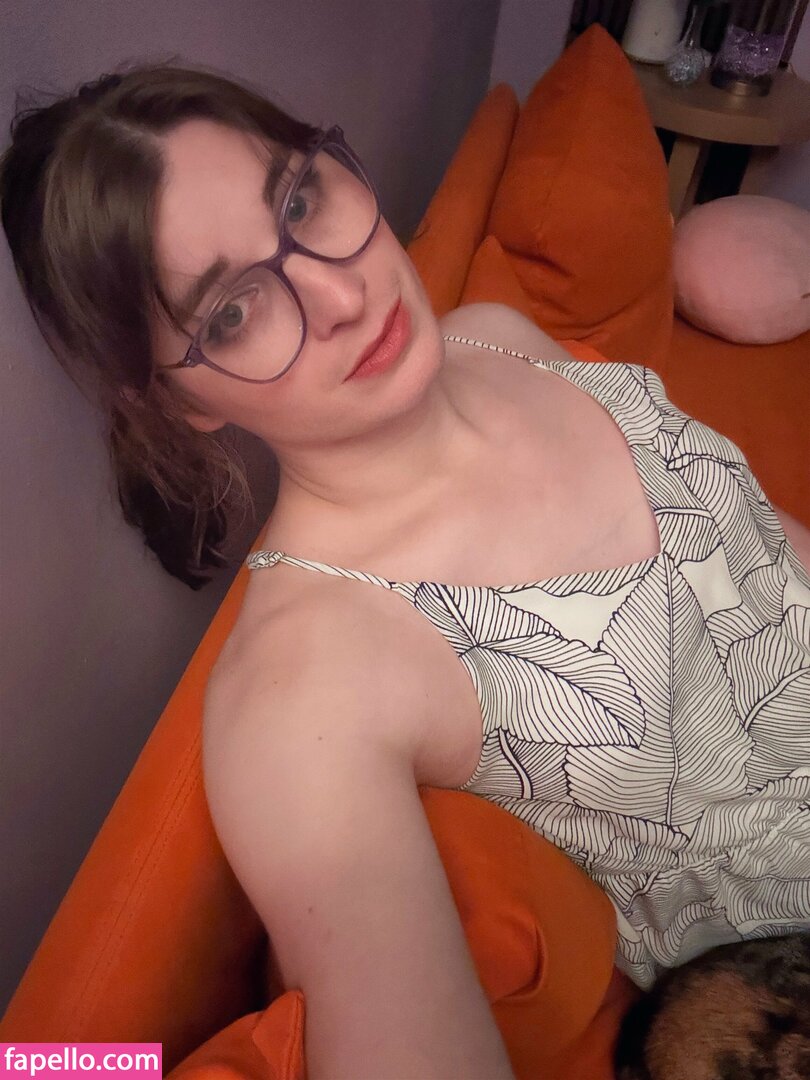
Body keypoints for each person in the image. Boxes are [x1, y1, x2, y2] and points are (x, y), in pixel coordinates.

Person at [2, 64, 809, 1079]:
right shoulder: (309, 683)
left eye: (300, 200)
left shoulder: (497, 338)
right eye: (235, 312)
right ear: (183, 401)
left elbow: (760, 549)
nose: (342, 292)